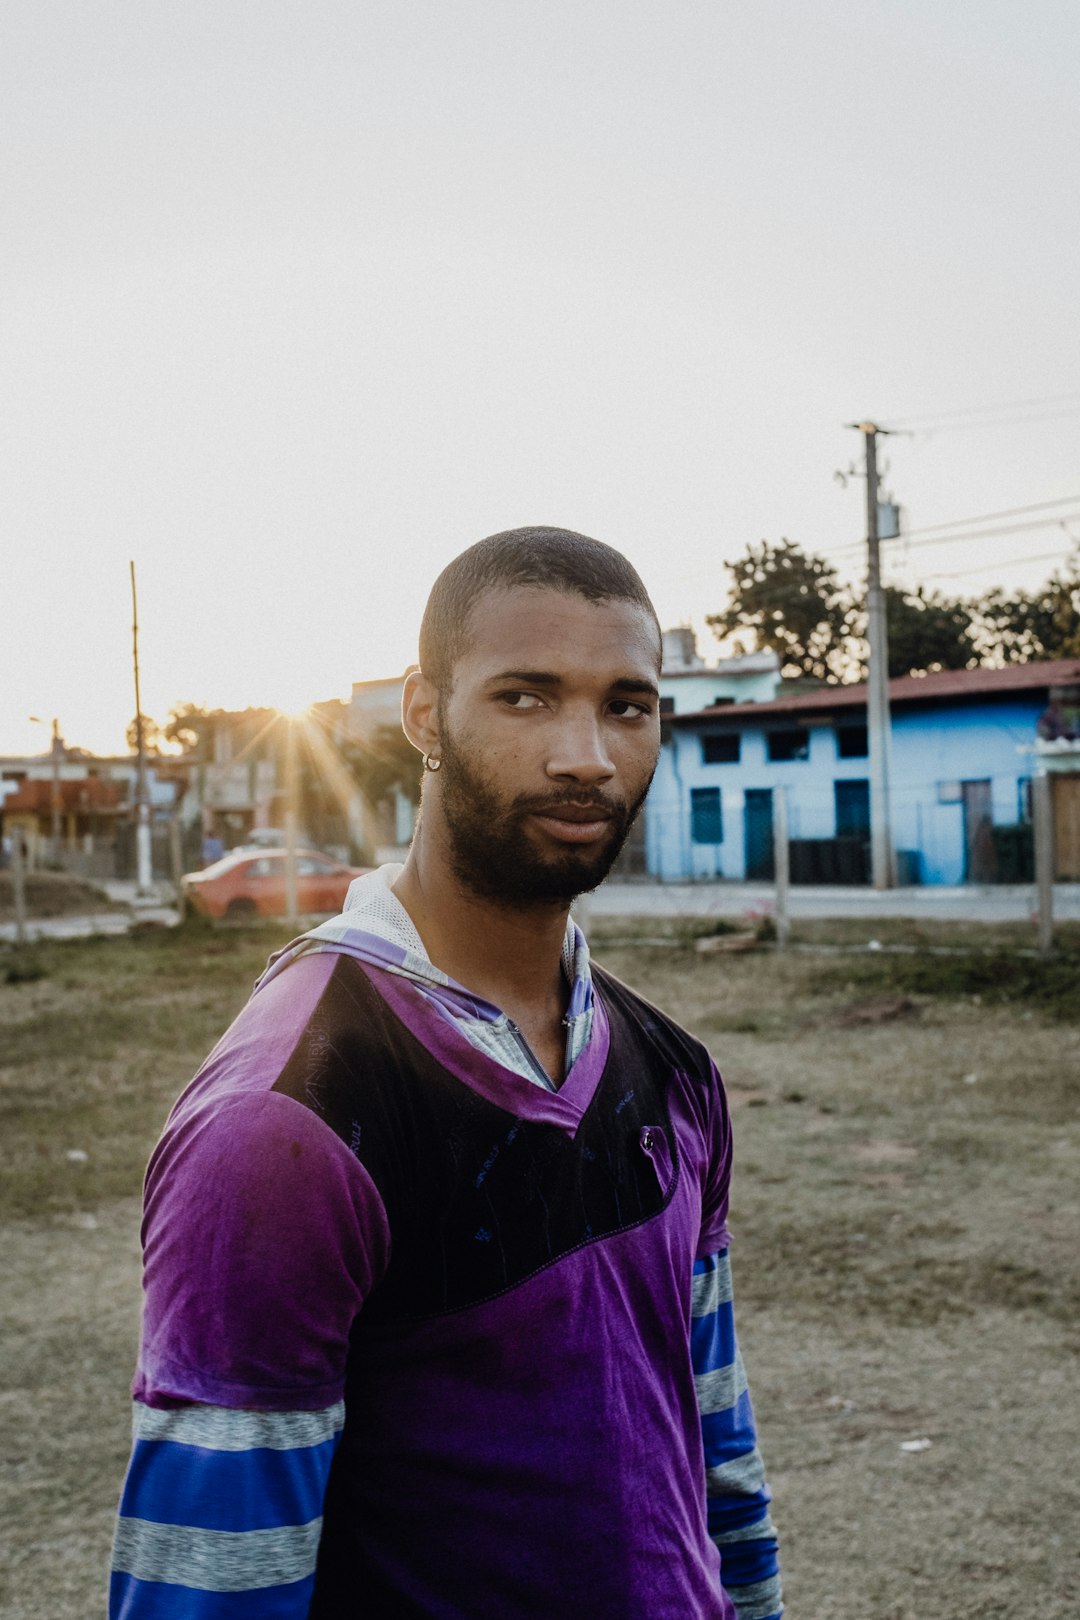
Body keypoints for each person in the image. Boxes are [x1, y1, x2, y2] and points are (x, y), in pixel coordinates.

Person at [110, 527, 783, 1620]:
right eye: (525, 697)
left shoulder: (674, 1074)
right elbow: (212, 1582)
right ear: (426, 714)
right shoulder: (283, 1124)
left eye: (627, 704)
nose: (587, 756)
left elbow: (717, 1451)